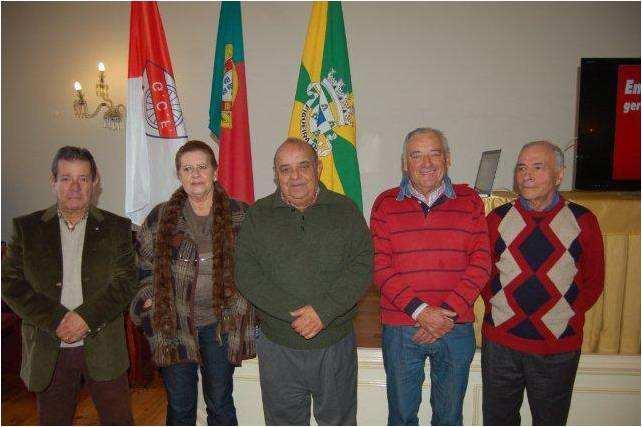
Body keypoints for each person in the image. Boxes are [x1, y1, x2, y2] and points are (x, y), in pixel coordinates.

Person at [235, 137, 373, 425]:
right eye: (285, 170)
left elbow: (362, 266)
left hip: (334, 344)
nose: (294, 177)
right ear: (276, 174)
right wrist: (294, 314)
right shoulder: (258, 215)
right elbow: (247, 274)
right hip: (278, 346)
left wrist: (323, 311)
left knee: (338, 422)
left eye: (303, 166)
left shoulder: (345, 210)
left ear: (318, 168)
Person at [1, 146, 137, 425]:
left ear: (94, 182)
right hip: (49, 349)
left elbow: (124, 283)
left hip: (103, 349)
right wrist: (57, 320)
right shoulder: (26, 229)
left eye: (83, 179)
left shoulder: (117, 228)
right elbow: (11, 284)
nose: (74, 187)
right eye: (66, 178)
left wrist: (85, 319)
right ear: (53, 182)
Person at [129, 140, 255, 425]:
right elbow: (142, 267)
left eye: (201, 167)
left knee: (220, 401)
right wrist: (149, 298)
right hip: (173, 323)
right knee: (180, 404)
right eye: (187, 169)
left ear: (215, 172)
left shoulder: (241, 215)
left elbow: (256, 268)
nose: (195, 174)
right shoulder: (160, 218)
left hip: (220, 324)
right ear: (179, 175)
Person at [370, 127, 491, 425]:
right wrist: (422, 312)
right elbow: (380, 266)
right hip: (401, 328)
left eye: (434, 153)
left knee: (449, 418)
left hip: (455, 327)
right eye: (416, 155)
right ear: (404, 163)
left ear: (447, 159)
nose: (426, 163)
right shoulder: (385, 204)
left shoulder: (470, 201)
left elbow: (481, 263)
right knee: (401, 417)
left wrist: (444, 315)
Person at [481, 140, 605, 425]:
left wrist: (560, 316)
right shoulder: (496, 220)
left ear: (559, 175)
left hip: (557, 347)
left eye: (538, 167)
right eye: (522, 167)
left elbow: (593, 281)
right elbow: (484, 277)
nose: (527, 175)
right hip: (501, 344)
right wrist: (505, 312)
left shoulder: (583, 221)